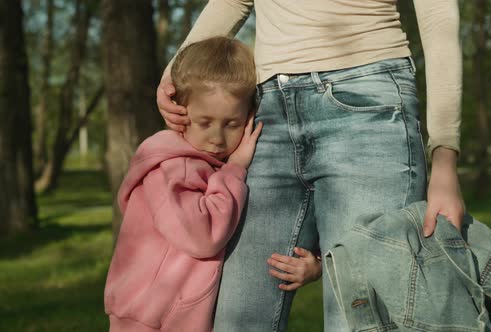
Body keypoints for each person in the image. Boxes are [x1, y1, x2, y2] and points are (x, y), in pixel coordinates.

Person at [157, 1, 465, 331]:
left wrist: (445, 158)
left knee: (359, 320)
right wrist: (174, 76)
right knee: (236, 320)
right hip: (266, 110)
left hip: (369, 103)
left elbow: (438, 18)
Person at [104, 37, 321, 332]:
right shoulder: (172, 167)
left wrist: (315, 263)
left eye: (231, 124)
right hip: (154, 320)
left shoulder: (206, 163)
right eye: (205, 123)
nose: (217, 138)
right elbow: (203, 236)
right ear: (180, 111)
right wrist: (234, 170)